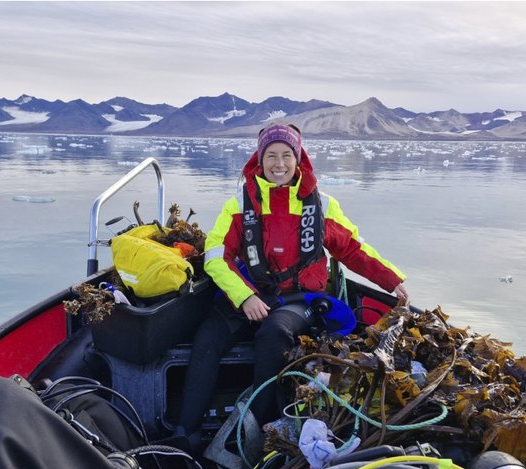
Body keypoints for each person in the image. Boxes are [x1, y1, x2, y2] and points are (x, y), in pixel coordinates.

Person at [173, 122, 408, 450]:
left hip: (300, 300)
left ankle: (255, 436)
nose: (279, 163)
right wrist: (244, 297)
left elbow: (352, 249)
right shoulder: (240, 204)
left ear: (298, 159)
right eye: (271, 155)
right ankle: (186, 434)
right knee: (208, 337)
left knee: (274, 334)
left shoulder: (322, 205)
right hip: (251, 293)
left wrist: (392, 280)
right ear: (260, 159)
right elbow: (215, 255)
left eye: (287, 155)